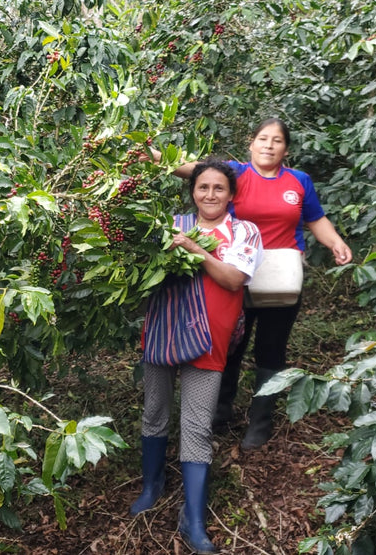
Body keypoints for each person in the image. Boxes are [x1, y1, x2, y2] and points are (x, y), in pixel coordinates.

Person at [171, 118, 352, 450]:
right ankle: (220, 411)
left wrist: (335, 242)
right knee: (230, 343)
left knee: (271, 348)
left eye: (277, 140)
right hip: (232, 272)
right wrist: (151, 156)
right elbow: (193, 170)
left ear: (286, 148)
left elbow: (315, 218)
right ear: (251, 143)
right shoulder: (235, 173)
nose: (269, 145)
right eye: (263, 139)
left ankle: (260, 420)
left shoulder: (298, 181)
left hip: (280, 277)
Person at [130, 160, 262, 554]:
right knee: (154, 409)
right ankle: (151, 484)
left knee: (197, 425)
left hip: (209, 341)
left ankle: (194, 518)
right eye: (202, 187)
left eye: (218, 188)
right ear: (192, 192)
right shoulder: (171, 224)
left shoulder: (244, 232)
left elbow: (233, 279)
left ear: (231, 195)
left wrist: (191, 249)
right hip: (163, 332)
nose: (209, 195)